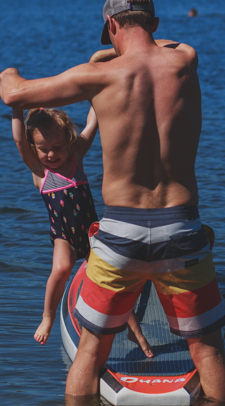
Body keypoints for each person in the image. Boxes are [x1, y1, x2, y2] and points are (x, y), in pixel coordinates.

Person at [0, 0, 225, 403]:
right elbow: (172, 44)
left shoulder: (99, 77)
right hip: (182, 227)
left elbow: (15, 93)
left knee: (91, 350)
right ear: (155, 25)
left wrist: (7, 74)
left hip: (121, 232)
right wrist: (140, 41)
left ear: (110, 24)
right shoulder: (185, 61)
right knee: (208, 352)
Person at [10, 104, 152, 357]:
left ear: (69, 142)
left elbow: (92, 125)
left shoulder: (76, 158)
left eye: (58, 147)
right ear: (34, 149)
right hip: (63, 235)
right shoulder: (40, 171)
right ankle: (47, 317)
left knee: (112, 281)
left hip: (92, 233)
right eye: (44, 149)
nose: (52, 154)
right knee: (62, 268)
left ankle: (135, 331)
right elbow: (19, 139)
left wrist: (96, 95)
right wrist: (16, 110)